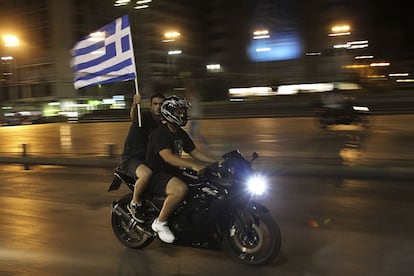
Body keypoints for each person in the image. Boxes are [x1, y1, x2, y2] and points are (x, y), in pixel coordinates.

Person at [145, 95, 217, 243]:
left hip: (173, 172)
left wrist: (217, 161)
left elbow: (194, 151)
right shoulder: (160, 133)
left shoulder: (180, 133)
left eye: (183, 111)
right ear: (169, 112)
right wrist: (192, 165)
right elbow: (167, 157)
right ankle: (160, 222)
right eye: (178, 112)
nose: (183, 114)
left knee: (204, 185)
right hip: (157, 175)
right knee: (180, 189)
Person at [119, 92, 165, 223]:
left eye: (161, 104)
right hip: (131, 159)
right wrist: (135, 104)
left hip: (147, 160)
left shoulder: (162, 125)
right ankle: (134, 203)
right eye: (155, 104)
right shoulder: (143, 117)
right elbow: (133, 118)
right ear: (150, 106)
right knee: (146, 174)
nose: (158, 107)